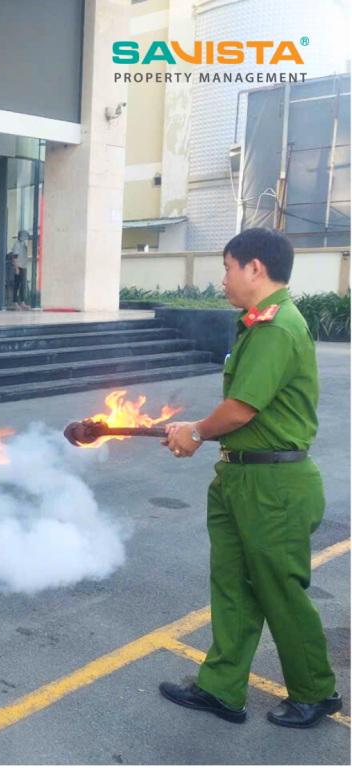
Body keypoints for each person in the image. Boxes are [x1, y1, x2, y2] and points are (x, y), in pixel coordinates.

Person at [160, 228, 341, 728]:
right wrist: (197, 429)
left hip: (273, 485)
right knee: (233, 586)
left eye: (227, 268)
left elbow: (241, 408)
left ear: (255, 268)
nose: (223, 280)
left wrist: (196, 431)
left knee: (279, 590)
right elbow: (242, 412)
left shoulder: (277, 326)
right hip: (243, 476)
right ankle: (221, 689)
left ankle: (315, 691)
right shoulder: (259, 325)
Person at [10, 229, 29, 310]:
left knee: (23, 285)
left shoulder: (24, 244)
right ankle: (14, 302)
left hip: (24, 266)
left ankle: (22, 302)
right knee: (17, 285)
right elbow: (15, 257)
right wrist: (16, 268)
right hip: (19, 267)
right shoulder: (16, 244)